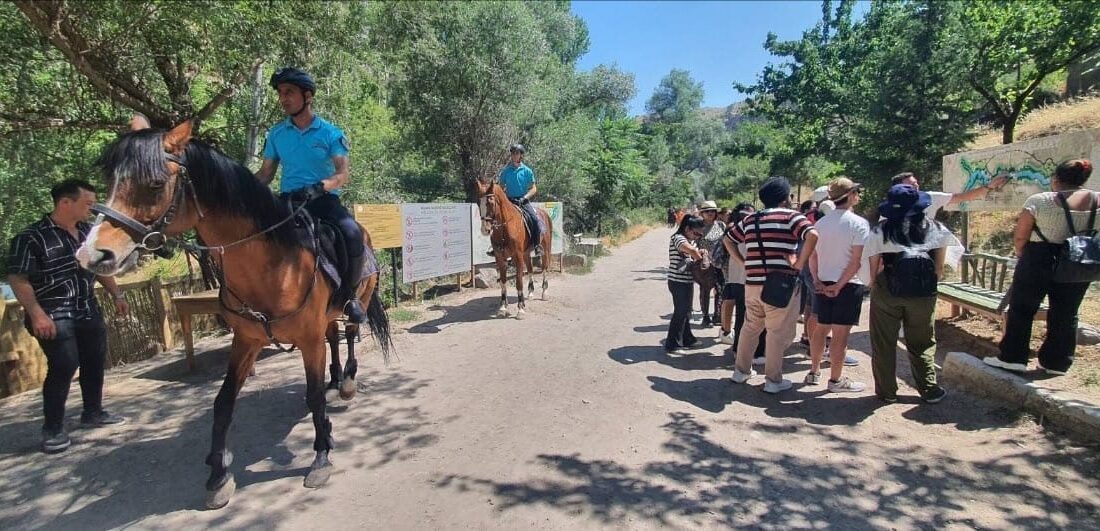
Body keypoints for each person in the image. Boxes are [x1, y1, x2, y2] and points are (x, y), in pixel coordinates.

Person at [7, 179, 130, 453]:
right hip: (52, 313)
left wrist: (117, 295)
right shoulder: (30, 238)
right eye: (87, 204)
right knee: (64, 364)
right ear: (65, 203)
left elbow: (101, 268)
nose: (91, 209)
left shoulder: (89, 232)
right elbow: (18, 279)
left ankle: (93, 412)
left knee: (94, 360)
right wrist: (37, 314)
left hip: (86, 308)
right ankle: (52, 428)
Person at [255, 67, 366, 323]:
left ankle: (349, 297)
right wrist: (242, 188)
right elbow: (266, 173)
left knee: (352, 233)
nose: (283, 98)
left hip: (322, 200)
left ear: (308, 96)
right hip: (288, 202)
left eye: (289, 92)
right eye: (281, 93)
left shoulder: (330, 133)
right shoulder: (277, 134)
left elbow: (343, 173)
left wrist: (320, 186)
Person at [987, 160, 1095, 375]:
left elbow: (1020, 235)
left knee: (1022, 308)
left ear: (1056, 179)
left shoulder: (1041, 200)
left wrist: (1022, 253)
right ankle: (1057, 362)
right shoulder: (1097, 200)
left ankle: (1013, 357)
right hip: (1080, 259)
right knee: (1067, 311)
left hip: (1040, 256)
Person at [866, 184, 957, 403]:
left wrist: (875, 285)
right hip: (924, 293)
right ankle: (928, 388)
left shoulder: (880, 231)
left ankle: (887, 392)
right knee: (923, 341)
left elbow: (873, 268)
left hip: (888, 290)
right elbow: (938, 269)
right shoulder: (936, 229)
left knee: (884, 342)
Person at [728, 177, 819, 393]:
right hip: (780, 284)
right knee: (776, 332)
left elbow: (728, 239)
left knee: (750, 327)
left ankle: (740, 372)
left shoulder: (750, 219)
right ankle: (773, 381)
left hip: (752, 282)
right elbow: (813, 234)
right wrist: (799, 263)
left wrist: (742, 261)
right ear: (786, 197)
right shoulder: (792, 217)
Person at [806, 178, 869, 392]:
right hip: (848, 284)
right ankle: (835, 380)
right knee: (841, 336)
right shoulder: (859, 224)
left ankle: (813, 371)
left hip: (823, 281)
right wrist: (840, 285)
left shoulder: (820, 224)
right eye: (856, 191)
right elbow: (856, 261)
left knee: (820, 329)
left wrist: (816, 280)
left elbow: (812, 257)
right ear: (850, 195)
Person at [666, 215, 708, 354]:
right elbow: (693, 252)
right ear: (687, 228)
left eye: (700, 234)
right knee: (680, 311)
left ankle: (688, 338)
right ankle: (672, 344)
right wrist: (700, 256)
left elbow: (695, 251)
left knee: (686, 311)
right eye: (696, 233)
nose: (697, 237)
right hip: (677, 281)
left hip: (686, 281)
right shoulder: (678, 238)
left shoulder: (689, 239)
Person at [891, 171, 1009, 220]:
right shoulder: (890, 208)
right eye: (911, 184)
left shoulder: (931, 197)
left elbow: (962, 197)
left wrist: (989, 187)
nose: (916, 186)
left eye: (916, 182)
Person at [496, 143, 543, 255]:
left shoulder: (527, 171)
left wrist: (524, 198)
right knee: (497, 221)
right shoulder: (505, 171)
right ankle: (497, 246)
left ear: (521, 155)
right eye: (512, 153)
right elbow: (500, 189)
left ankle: (536, 245)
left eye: (516, 153)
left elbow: (533, 188)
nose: (514, 155)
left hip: (523, 200)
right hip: (509, 201)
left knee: (535, 220)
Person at [697, 200, 726, 327]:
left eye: (713, 211)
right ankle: (705, 316)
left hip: (720, 263)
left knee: (720, 289)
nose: (710, 213)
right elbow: (693, 243)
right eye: (707, 211)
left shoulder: (721, 225)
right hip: (705, 263)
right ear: (702, 213)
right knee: (705, 290)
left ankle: (717, 315)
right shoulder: (698, 226)